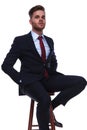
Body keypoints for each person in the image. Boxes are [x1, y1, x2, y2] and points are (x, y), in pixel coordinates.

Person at [1, 5, 87, 130]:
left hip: (47, 78)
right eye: (37, 17)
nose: (41, 19)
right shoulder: (21, 41)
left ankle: (51, 107)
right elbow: (6, 66)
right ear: (31, 21)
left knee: (80, 82)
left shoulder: (49, 41)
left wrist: (52, 69)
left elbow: (53, 60)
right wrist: (21, 80)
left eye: (43, 17)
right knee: (44, 99)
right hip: (29, 81)